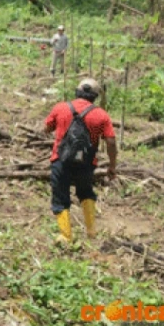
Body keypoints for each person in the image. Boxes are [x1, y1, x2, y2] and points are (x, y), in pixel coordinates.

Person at [44, 78, 117, 245]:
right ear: (94, 96)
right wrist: (112, 166)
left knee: (60, 195)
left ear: (77, 92)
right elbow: (111, 141)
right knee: (85, 192)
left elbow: (47, 127)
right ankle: (91, 231)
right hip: (86, 162)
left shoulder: (61, 107)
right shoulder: (101, 115)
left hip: (60, 160)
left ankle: (66, 236)